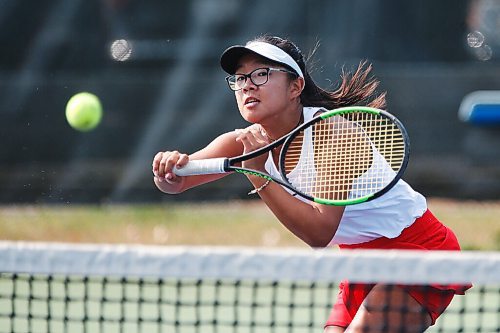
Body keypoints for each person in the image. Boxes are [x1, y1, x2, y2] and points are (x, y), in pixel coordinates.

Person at [152, 35, 469, 332]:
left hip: (420, 249)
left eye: (261, 74)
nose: (248, 85)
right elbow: (175, 184)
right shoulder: (242, 142)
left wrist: (257, 175)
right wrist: (168, 169)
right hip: (361, 261)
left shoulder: (335, 135)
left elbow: (320, 233)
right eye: (240, 78)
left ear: (295, 87)